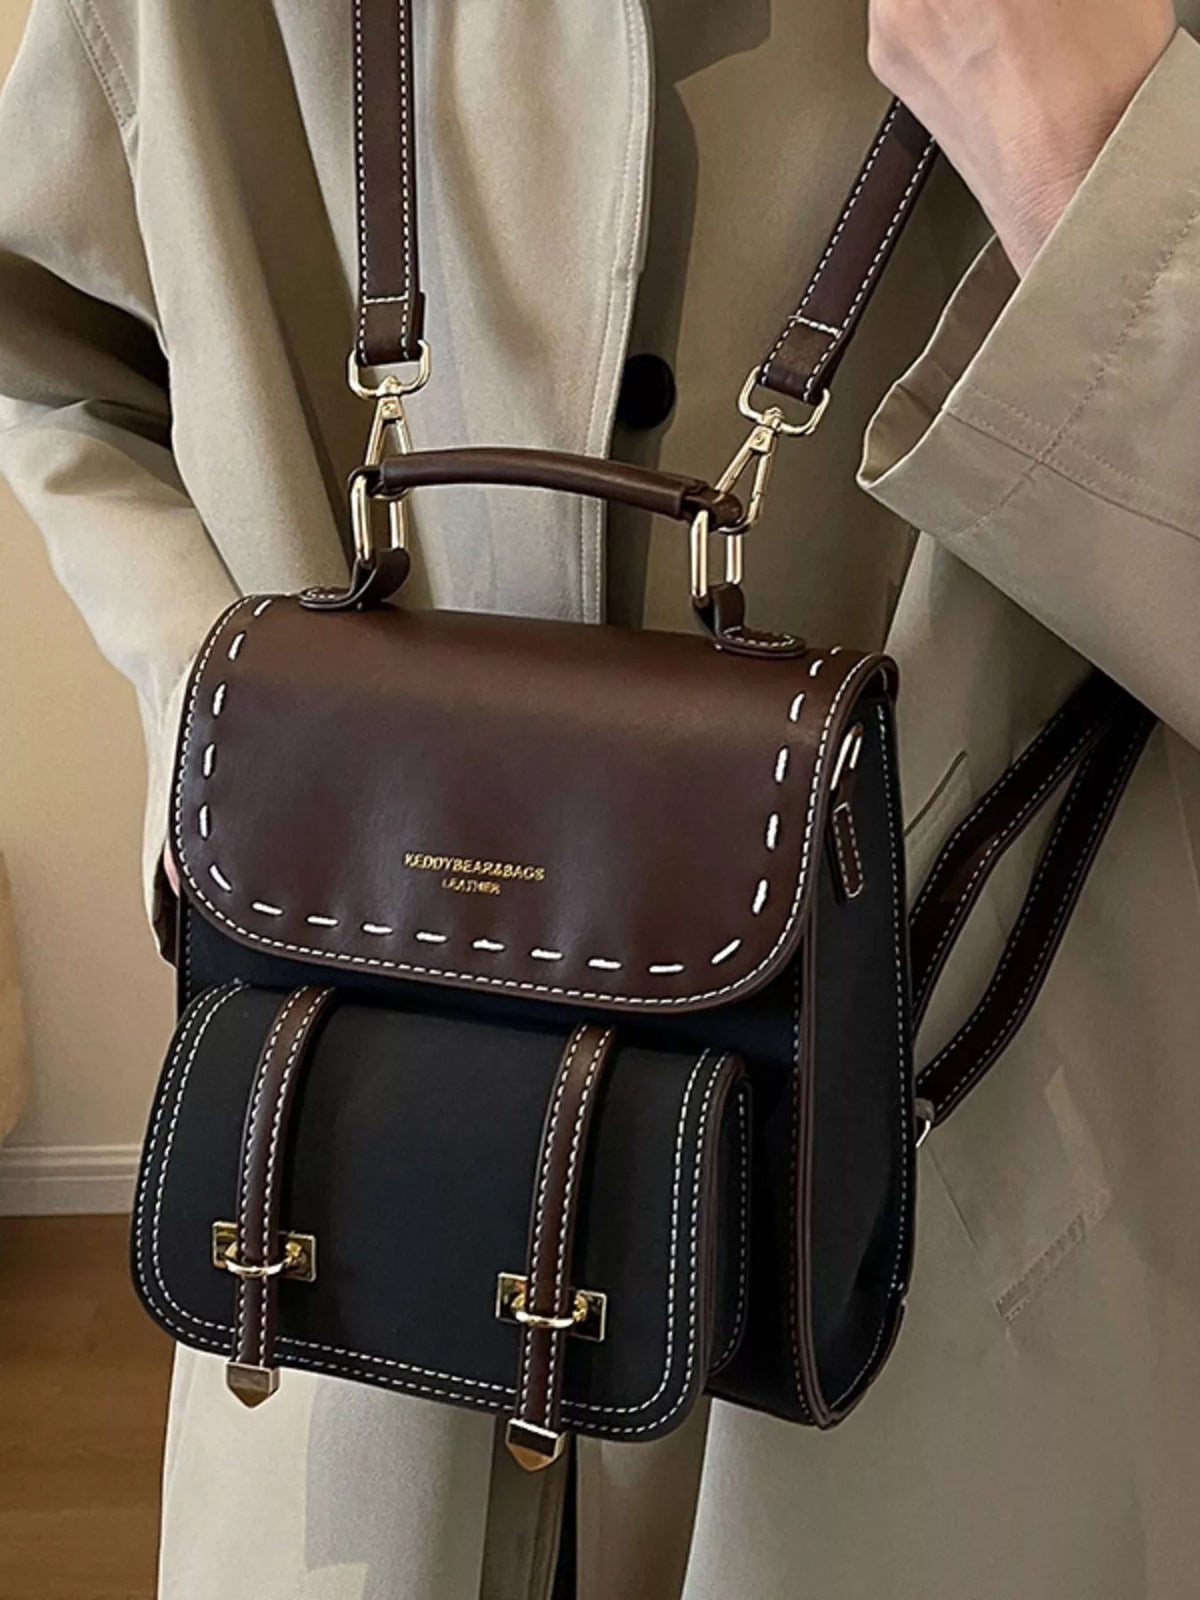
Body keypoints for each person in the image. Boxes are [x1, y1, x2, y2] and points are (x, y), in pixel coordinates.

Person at [1, 0, 1196, 1595]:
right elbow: (61, 362)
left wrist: (1099, 176)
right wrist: (194, 691)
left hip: (958, 1277)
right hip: (333, 1245)